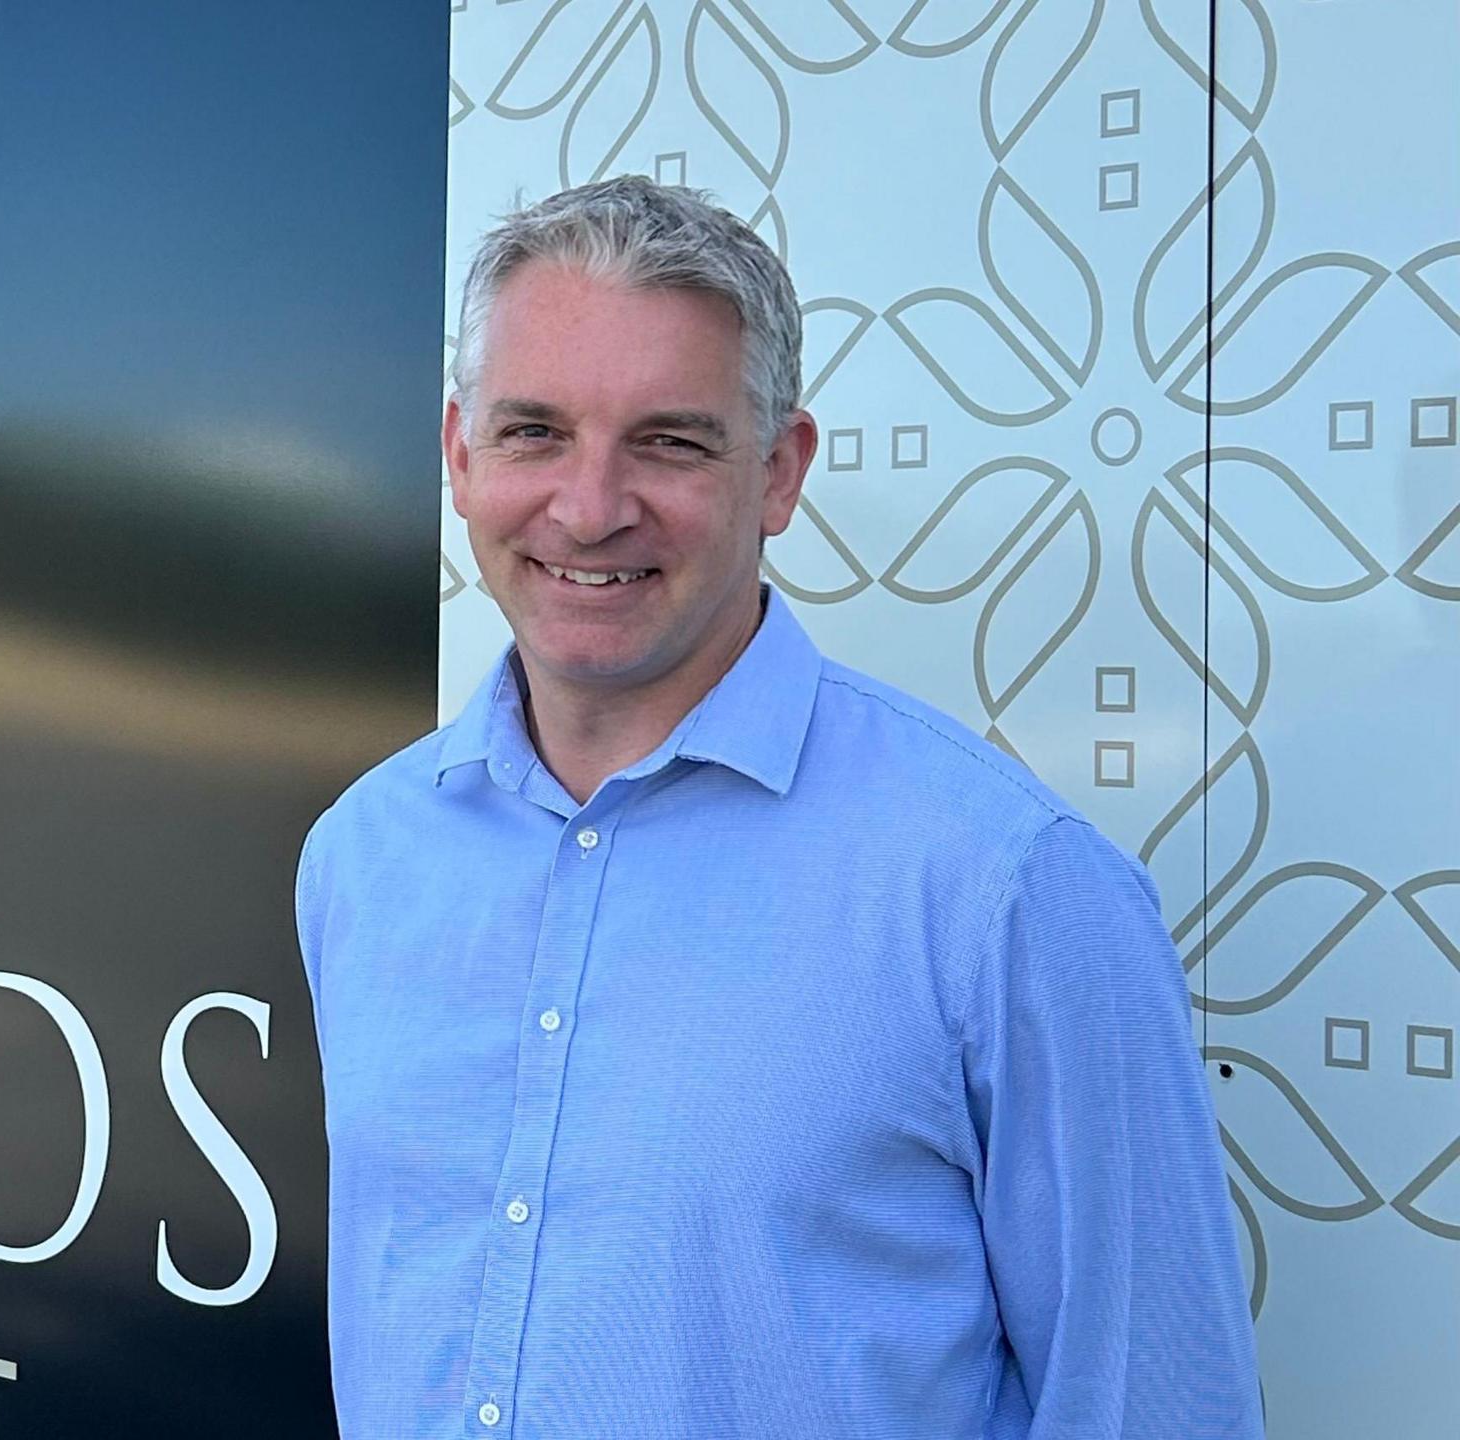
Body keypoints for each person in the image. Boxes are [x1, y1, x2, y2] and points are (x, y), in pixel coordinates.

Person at [294, 177, 1262, 1438]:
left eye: (670, 441)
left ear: (780, 474)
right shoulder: (365, 856)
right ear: (459, 456)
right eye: (533, 431)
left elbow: (1153, 1409)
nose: (589, 507)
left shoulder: (1006, 890)